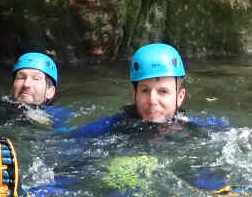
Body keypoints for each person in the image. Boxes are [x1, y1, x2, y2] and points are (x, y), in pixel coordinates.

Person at [68, 43, 226, 138]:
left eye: (163, 91)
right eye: (144, 91)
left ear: (180, 96)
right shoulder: (112, 128)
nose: (152, 100)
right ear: (134, 93)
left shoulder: (201, 128)